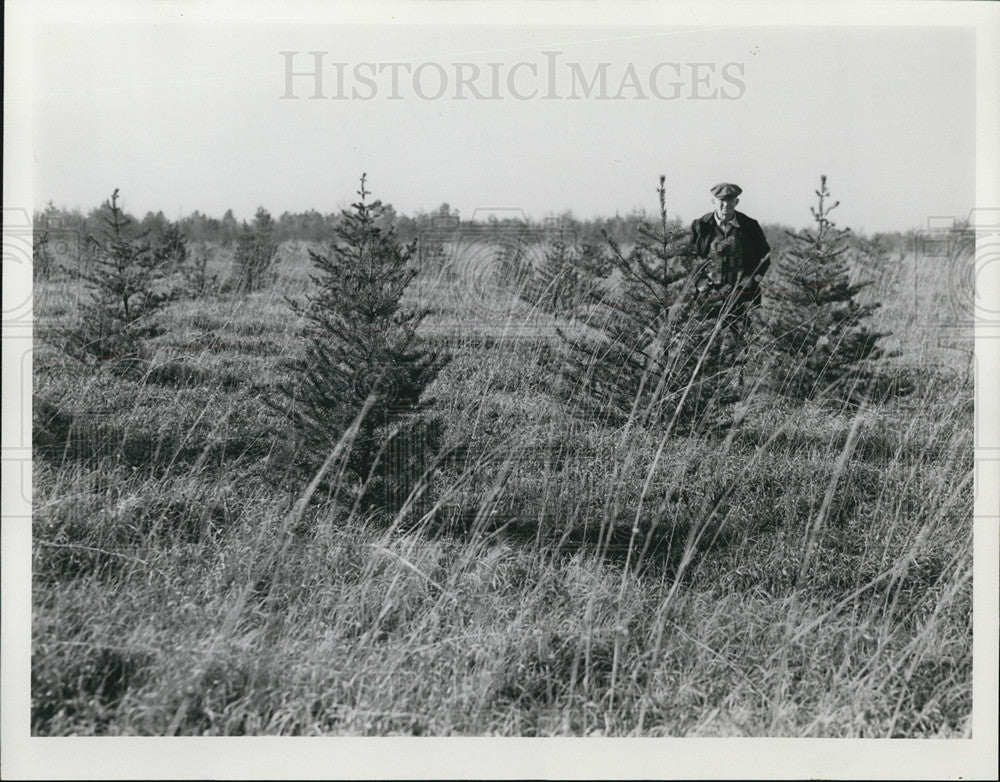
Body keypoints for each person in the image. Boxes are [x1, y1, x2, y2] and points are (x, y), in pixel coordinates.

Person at [689, 183, 771, 366]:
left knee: (741, 344)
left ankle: (738, 383)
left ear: (737, 202)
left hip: (742, 296)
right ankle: (708, 383)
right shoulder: (700, 226)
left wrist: (752, 278)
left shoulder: (749, 226)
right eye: (721, 201)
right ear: (713, 201)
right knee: (706, 343)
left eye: (730, 201)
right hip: (708, 296)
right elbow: (687, 257)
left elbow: (765, 256)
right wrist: (698, 280)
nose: (725, 205)